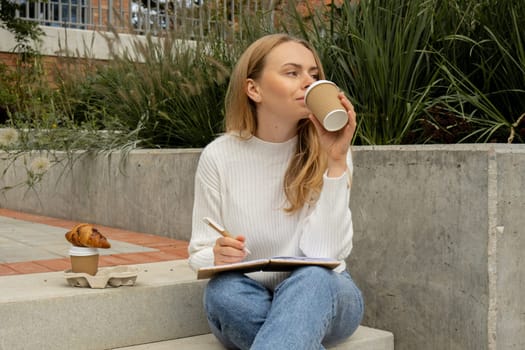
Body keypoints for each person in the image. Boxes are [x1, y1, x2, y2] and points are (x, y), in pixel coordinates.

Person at [188, 33, 364, 350]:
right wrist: (216, 253)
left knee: (311, 279)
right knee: (223, 292)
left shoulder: (331, 149)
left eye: (314, 74)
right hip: (249, 294)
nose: (308, 83)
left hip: (327, 293)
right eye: (292, 72)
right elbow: (198, 250)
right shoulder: (218, 156)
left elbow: (325, 255)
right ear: (254, 89)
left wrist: (336, 163)